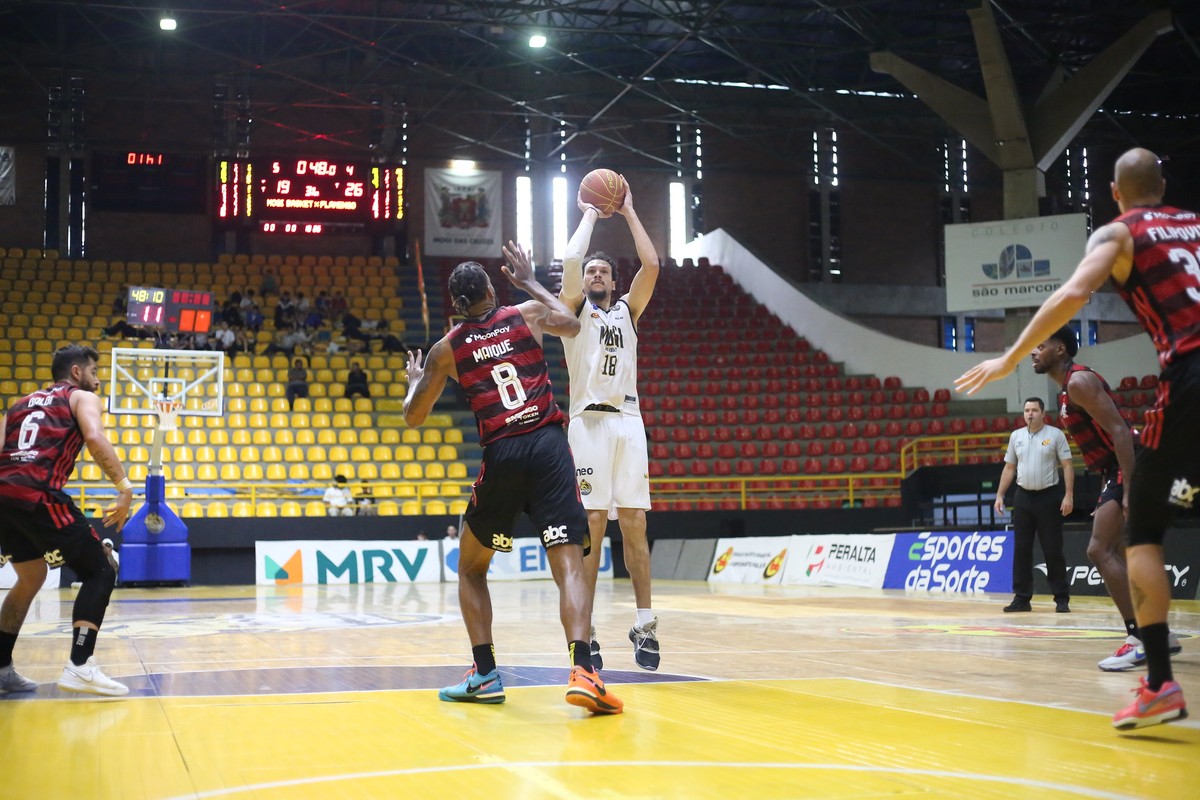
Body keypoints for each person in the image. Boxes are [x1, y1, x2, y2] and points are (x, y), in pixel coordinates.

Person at [957, 147, 1199, 730]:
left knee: (1138, 538)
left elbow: (1071, 295)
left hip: (1190, 375)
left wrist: (1008, 355)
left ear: (1115, 194)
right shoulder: (1194, 225)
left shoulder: (1119, 235)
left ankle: (1159, 679)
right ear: (1163, 184)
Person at [402, 243, 622, 715]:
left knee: (469, 566)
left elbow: (414, 417)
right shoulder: (526, 313)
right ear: (489, 289)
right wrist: (528, 281)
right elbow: (574, 320)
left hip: (502, 452)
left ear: (458, 305)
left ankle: (484, 674)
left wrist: (413, 379)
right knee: (568, 564)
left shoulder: (446, 349)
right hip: (547, 445)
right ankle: (583, 670)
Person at [1033, 326, 1183, 670]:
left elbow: (1119, 430)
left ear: (1060, 349)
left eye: (1040, 345)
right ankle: (1158, 634)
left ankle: (1141, 637)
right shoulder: (1066, 388)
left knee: (1099, 549)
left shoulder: (1078, 382)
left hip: (1128, 461)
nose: (1032, 352)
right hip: (1117, 466)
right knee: (1113, 550)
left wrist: (1130, 488)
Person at [559, 175, 661, 671]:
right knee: (594, 526)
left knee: (636, 525)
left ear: (614, 281)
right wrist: (591, 214)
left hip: (628, 421)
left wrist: (628, 212)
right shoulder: (573, 313)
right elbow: (572, 260)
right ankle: (588, 628)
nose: (595, 274)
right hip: (587, 425)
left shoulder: (628, 312)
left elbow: (653, 264)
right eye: (592, 271)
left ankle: (644, 623)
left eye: (603, 271)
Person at [0, 344, 133, 696]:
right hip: (39, 494)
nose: (98, 380)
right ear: (76, 372)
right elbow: (94, 437)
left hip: (5, 497)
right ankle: (80, 666)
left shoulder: (17, 405)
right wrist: (123, 487)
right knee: (101, 569)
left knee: (31, 577)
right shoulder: (80, 397)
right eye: (94, 372)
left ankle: (0, 669)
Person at [992, 397, 1073, 613]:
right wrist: (1000, 495)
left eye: (1034, 410)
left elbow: (1067, 465)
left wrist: (1069, 495)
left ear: (1043, 413)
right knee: (1021, 549)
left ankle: (1061, 598)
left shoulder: (1055, 435)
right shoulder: (1016, 436)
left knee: (1052, 549)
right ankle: (1022, 598)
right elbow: (1009, 468)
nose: (1030, 414)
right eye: (1027, 410)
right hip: (1023, 498)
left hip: (1049, 497)